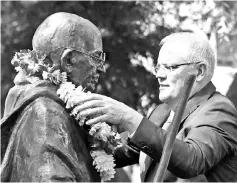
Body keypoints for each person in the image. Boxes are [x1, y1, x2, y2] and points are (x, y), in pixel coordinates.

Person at [70, 32, 237, 182]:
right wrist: (81, 121)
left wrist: (128, 118)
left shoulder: (218, 111)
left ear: (200, 71)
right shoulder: (161, 112)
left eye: (170, 67)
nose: (159, 75)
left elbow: (191, 160)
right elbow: (115, 153)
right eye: (158, 67)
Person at [1, 12, 105, 182]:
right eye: (96, 57)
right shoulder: (46, 113)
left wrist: (128, 119)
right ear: (68, 60)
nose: (101, 69)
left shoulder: (58, 107)